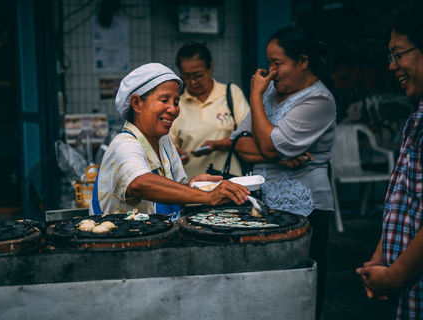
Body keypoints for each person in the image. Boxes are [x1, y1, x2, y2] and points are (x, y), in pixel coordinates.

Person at [232, 26, 336, 319]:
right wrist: (275, 153)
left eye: (278, 63)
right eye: (269, 62)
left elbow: (268, 143)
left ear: (303, 61)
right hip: (263, 206)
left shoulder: (318, 100)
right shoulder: (271, 95)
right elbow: (238, 141)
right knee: (268, 288)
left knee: (302, 288)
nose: (270, 72)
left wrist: (254, 95)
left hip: (306, 208)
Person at [89, 63, 250, 220]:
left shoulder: (164, 143)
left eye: (175, 102)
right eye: (164, 100)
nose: (173, 109)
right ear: (137, 103)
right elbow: (139, 183)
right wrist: (207, 196)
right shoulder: (123, 144)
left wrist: (192, 187)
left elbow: (173, 195)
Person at [356, 1, 423, 318]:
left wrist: (393, 277)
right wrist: (379, 262)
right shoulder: (416, 119)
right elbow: (405, 202)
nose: (392, 66)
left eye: (398, 54)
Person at [169, 42, 250, 178]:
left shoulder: (230, 93)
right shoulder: (177, 104)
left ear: (210, 68)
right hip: (192, 185)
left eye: (198, 75)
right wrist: (177, 153)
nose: (193, 82)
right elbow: (169, 144)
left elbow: (247, 135)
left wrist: (218, 145)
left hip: (229, 179)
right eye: (187, 77)